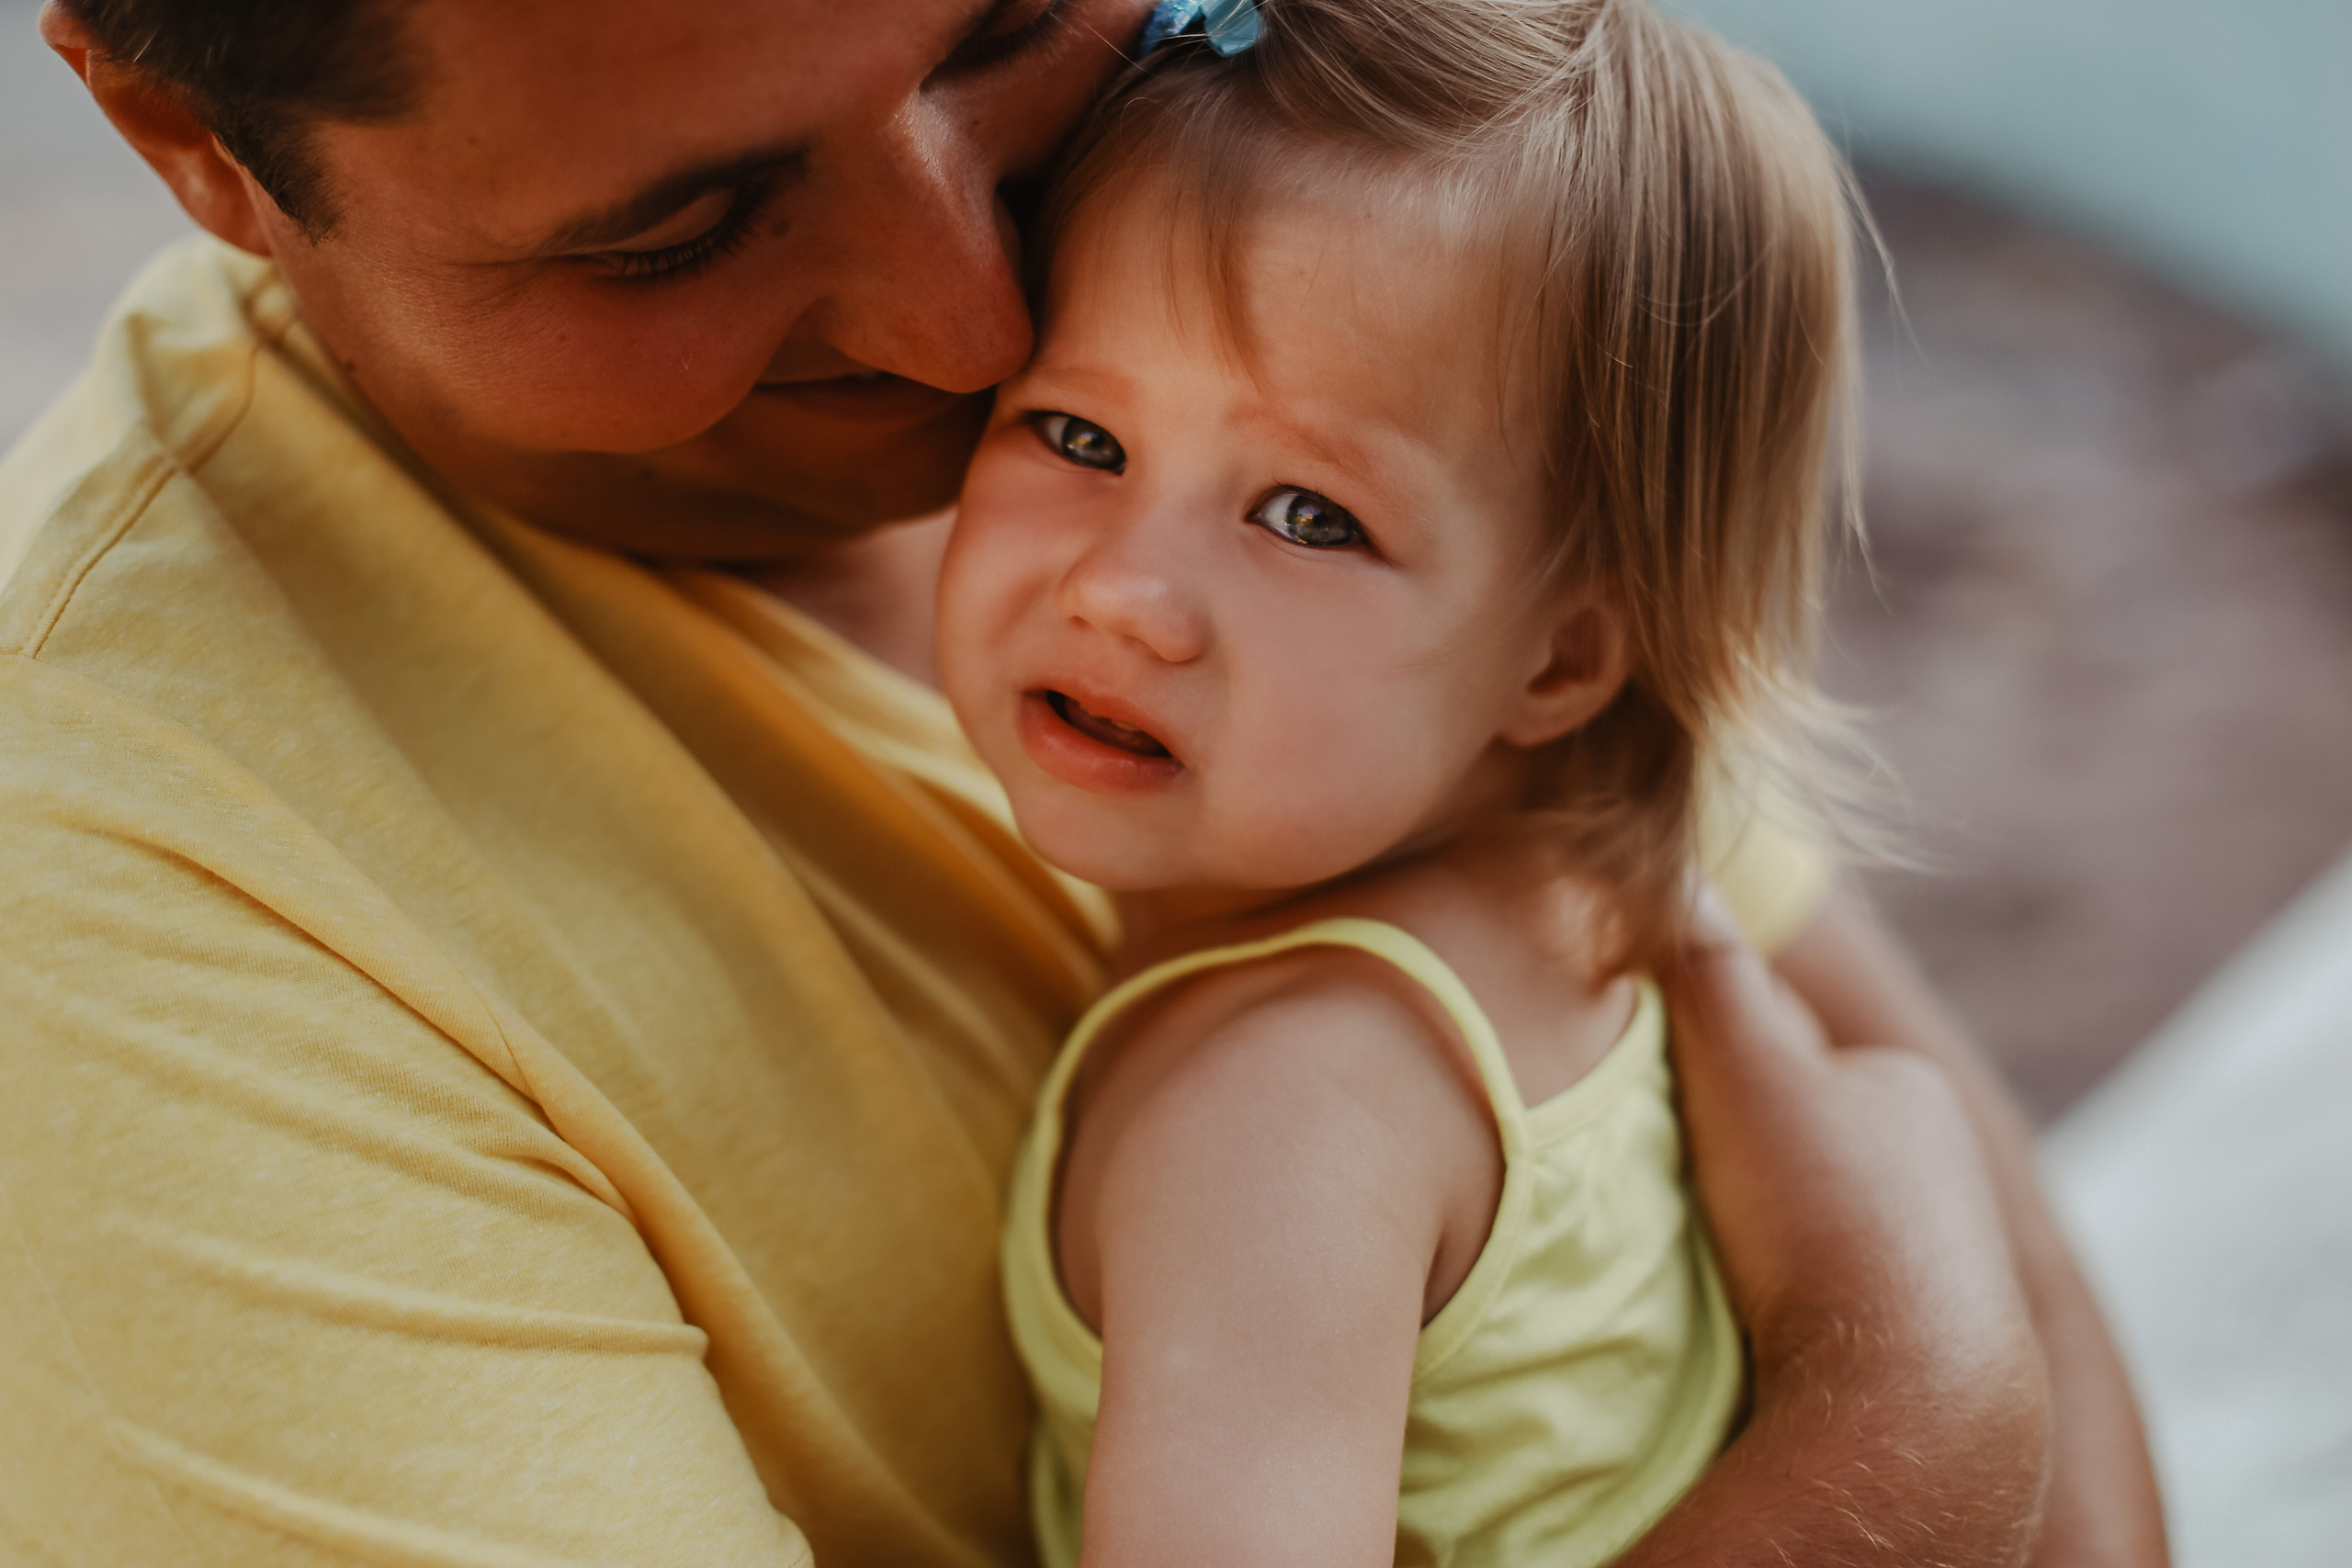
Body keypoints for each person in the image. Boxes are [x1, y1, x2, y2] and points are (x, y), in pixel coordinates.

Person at [0, 0, 2158, 1563]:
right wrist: (1906, 1434)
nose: (971, 331)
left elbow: (2002, 1249)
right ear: (184, 138)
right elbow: (1962, 1308)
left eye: (1001, 33)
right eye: (676, 230)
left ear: (1558, 652)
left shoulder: (1294, 248)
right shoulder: (136, 926)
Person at [934, 4, 2020, 1562]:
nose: (1126, 595)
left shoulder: (1282, 1121)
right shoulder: (1571, 916)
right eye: (1077, 432)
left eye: (1309, 517)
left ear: (1562, 661)